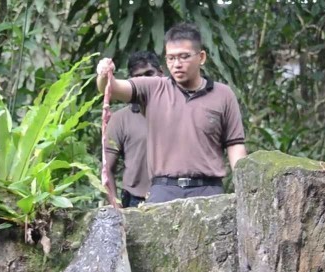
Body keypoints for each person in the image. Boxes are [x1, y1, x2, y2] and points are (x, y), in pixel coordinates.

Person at [96, 23, 247, 203]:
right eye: (171, 58)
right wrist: (104, 74)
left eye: (184, 57)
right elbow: (110, 88)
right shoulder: (153, 88)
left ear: (202, 57)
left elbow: (235, 145)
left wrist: (243, 188)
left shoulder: (223, 95)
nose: (177, 64)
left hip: (209, 189)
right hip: (163, 190)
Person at [105, 51, 164, 208]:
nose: (144, 80)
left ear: (161, 73)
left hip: (175, 195)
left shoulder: (178, 111)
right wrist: (115, 206)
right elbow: (107, 168)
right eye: (138, 76)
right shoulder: (120, 119)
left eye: (149, 74)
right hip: (135, 199)